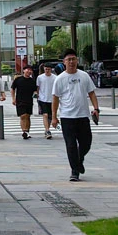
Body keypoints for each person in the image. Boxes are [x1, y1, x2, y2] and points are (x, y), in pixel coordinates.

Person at [51, 49, 100, 182]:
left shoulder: (84, 76)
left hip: (83, 116)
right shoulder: (60, 79)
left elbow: (92, 93)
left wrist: (96, 109)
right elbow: (55, 98)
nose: (71, 62)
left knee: (86, 143)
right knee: (71, 145)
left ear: (77, 60)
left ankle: (79, 159)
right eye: (69, 59)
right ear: (64, 62)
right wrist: (54, 117)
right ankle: (75, 171)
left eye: (73, 59)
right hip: (67, 117)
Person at [11, 65, 37, 139]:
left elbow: (35, 90)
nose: (29, 71)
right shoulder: (18, 79)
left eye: (30, 70)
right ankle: (24, 131)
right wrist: (13, 99)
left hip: (29, 100)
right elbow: (13, 89)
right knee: (23, 116)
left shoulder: (32, 81)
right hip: (20, 100)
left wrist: (36, 94)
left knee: (28, 116)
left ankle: (27, 131)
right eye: (27, 70)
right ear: (24, 71)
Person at [36, 63, 57, 139]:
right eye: (46, 69)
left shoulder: (55, 77)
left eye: (48, 69)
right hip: (42, 98)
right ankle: (47, 130)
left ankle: (47, 129)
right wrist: (38, 96)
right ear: (44, 69)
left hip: (52, 99)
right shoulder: (40, 77)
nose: (47, 70)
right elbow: (38, 88)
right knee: (45, 115)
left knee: (50, 116)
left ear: (51, 69)